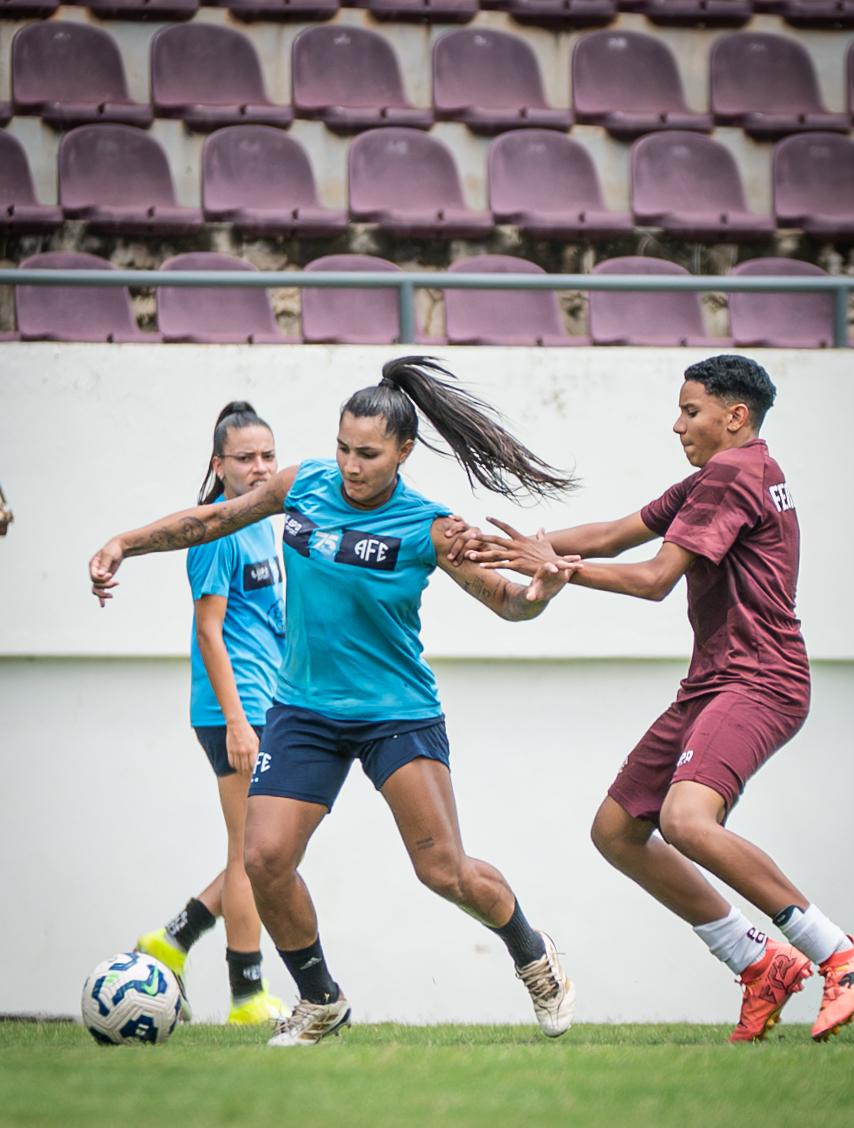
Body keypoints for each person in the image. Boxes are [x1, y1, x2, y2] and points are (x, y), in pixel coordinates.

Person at [90, 356, 581, 1047]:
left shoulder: (433, 527)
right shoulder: (303, 484)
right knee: (264, 859)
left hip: (396, 714)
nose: (351, 465)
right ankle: (320, 1000)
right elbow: (214, 519)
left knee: (444, 871)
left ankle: (533, 954)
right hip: (303, 710)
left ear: (403, 451)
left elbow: (509, 602)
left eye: (368, 454)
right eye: (344, 447)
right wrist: (124, 542)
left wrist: (540, 592)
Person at [461, 354, 854, 1043]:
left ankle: (839, 952)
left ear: (735, 416)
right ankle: (756, 962)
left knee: (686, 820)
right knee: (617, 830)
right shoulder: (724, 475)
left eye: (690, 411)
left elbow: (656, 578)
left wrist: (558, 569)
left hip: (760, 679)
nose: (677, 424)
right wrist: (503, 545)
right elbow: (612, 535)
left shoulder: (732, 474)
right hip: (715, 681)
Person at [136, 402, 288, 1026]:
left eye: (268, 456)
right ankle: (247, 996)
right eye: (245, 458)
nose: (260, 468)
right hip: (236, 711)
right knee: (250, 851)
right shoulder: (215, 532)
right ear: (219, 465)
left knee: (270, 847)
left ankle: (174, 937)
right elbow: (209, 631)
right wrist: (237, 722)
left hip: (267, 702)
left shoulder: (262, 523)